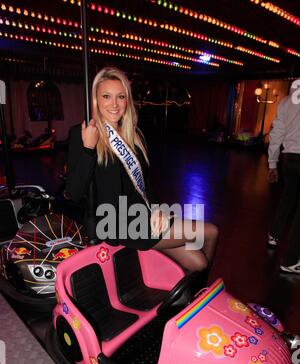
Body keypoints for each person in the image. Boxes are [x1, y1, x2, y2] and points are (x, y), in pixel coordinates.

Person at [66, 66, 218, 274]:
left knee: (198, 262)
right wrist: (88, 149)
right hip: (113, 223)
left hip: (140, 216)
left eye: (121, 97)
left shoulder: (134, 134)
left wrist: (157, 210)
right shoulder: (82, 133)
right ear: (95, 99)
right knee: (209, 231)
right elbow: (74, 193)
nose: (114, 104)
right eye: (106, 96)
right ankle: (201, 293)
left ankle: (185, 294)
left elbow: (146, 184)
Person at [267, 78, 300, 274]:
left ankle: (273, 235)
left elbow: (276, 133)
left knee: (287, 198)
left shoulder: (287, 101)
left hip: (289, 159)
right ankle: (291, 260)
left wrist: (272, 163)